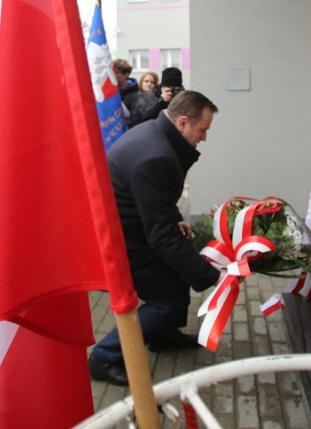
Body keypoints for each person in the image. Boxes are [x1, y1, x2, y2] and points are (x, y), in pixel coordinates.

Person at [88, 90, 222, 386]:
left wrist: (174, 216)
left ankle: (160, 336)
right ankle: (104, 356)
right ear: (184, 122)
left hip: (132, 228)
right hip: (123, 240)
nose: (204, 138)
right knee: (168, 303)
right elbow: (162, 239)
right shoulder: (157, 155)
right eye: (203, 130)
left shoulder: (154, 134)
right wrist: (211, 276)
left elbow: (152, 196)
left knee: (175, 280)